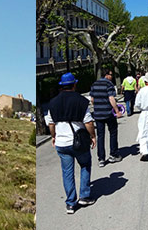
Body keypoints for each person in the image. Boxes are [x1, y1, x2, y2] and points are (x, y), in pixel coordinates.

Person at [45, 72, 96, 214]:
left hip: (61, 143)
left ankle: (71, 203)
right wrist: (93, 136)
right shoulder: (81, 101)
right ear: (74, 85)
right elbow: (88, 122)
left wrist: (53, 136)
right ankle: (84, 196)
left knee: (67, 172)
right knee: (85, 164)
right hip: (78, 142)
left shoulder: (53, 103)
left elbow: (50, 123)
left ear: (61, 86)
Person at [90, 69, 122, 167]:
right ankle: (113, 155)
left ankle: (101, 159)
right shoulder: (109, 84)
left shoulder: (94, 84)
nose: (112, 77)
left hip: (98, 114)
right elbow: (111, 98)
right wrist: (117, 111)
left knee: (100, 135)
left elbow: (92, 99)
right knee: (113, 133)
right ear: (106, 75)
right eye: (111, 75)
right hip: (108, 113)